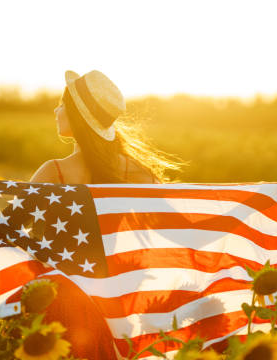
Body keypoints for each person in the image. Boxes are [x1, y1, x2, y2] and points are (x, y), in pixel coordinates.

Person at [28, 70, 186, 359]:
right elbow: (177, 228)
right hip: (121, 301)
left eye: (62, 104)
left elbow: (8, 228)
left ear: (76, 114)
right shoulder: (139, 174)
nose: (56, 110)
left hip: (64, 304)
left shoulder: (54, 172)